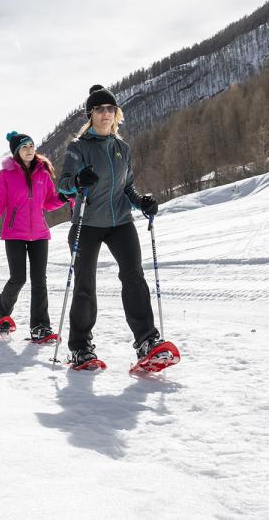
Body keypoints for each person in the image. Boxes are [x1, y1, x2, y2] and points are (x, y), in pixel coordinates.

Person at [57, 84, 162, 368]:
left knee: (134, 277)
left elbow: (128, 187)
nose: (106, 114)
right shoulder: (78, 148)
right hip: (87, 223)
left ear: (117, 114)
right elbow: (64, 184)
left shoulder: (122, 148)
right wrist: (77, 182)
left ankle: (147, 341)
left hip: (120, 222)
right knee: (85, 285)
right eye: (100, 109)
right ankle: (80, 347)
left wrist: (142, 202)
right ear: (90, 115)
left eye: (110, 109)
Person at [0, 131, 70, 342]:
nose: (30, 149)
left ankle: (40, 326)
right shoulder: (6, 175)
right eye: (24, 147)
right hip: (14, 233)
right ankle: (3, 312)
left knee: (39, 280)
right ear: (16, 152)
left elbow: (48, 202)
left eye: (31, 145)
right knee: (18, 278)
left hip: (39, 233)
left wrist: (62, 197)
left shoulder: (43, 173)